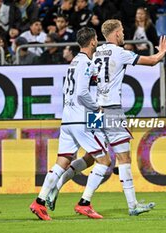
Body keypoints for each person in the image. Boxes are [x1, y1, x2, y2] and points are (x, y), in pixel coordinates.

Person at [46, 19, 166, 217]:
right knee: (123, 158)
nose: (123, 34)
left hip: (95, 110)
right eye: (121, 31)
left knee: (90, 157)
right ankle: (129, 205)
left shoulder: (96, 54)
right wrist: (162, 51)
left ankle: (56, 187)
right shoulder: (120, 53)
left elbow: (91, 78)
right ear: (115, 34)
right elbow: (152, 61)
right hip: (111, 111)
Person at [29, 27, 111, 221]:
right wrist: (97, 108)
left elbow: (69, 91)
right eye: (96, 39)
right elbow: (83, 93)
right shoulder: (87, 63)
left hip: (67, 119)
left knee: (62, 162)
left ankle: (39, 202)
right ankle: (85, 203)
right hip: (81, 119)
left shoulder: (74, 62)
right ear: (92, 42)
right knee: (104, 160)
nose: (97, 41)